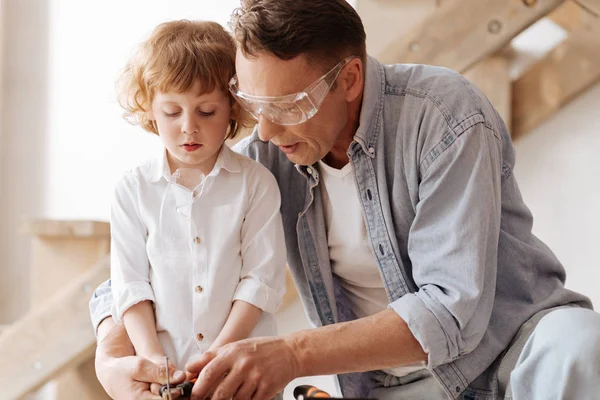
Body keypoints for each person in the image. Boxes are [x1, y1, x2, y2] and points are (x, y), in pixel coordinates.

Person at [90, 1, 600, 399]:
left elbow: (451, 311)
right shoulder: (265, 160)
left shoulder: (444, 115)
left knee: (580, 346)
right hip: (382, 386)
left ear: (350, 79)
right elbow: (144, 265)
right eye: (253, 105)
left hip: (509, 358)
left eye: (287, 105)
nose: (265, 130)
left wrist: (291, 353)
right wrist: (112, 358)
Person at [101, 18, 286, 398]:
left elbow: (261, 281)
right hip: (162, 382)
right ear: (149, 109)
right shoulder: (132, 191)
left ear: (233, 109)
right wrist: (155, 363)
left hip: (243, 376)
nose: (189, 127)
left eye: (206, 112)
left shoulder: (256, 184)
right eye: (172, 112)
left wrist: (219, 355)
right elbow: (130, 285)